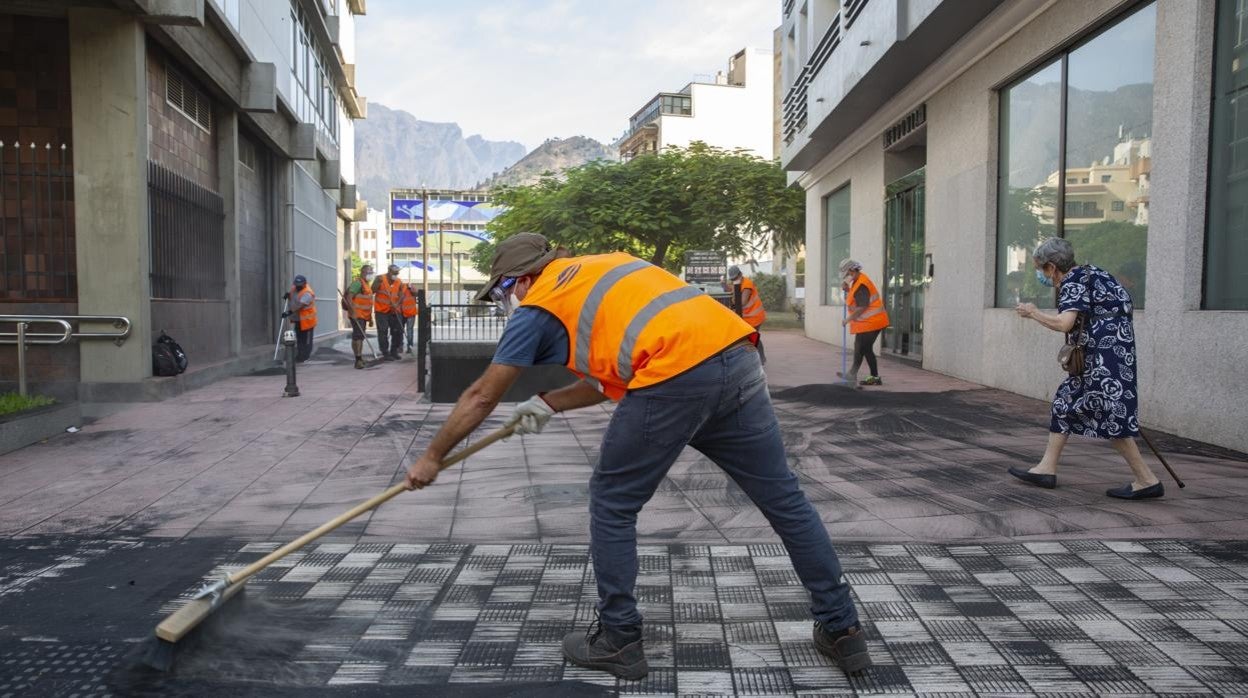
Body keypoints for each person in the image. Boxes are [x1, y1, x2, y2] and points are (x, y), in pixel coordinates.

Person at [404, 233, 870, 681]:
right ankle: (843, 629)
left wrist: (431, 458)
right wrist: (548, 403)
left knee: (612, 502)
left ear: (522, 279)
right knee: (785, 500)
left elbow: (483, 395)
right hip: (737, 358)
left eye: (503, 289)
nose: (504, 300)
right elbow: (622, 365)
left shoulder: (539, 303)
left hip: (676, 375)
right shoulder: (606, 267)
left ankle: (619, 640)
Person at [1009, 237, 1163, 499]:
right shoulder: (1094, 273)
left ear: (1052, 267)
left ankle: (1146, 480)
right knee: (1065, 403)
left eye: (1041, 268)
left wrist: (1032, 312)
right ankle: (1046, 468)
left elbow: (1064, 323)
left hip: (1103, 361)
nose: (1041, 275)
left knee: (1111, 416)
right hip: (1113, 355)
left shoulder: (1073, 282)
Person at [839, 259, 889, 386]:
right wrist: (847, 290)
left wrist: (847, 320)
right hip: (867, 322)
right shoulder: (857, 281)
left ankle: (874, 377)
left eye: (846, 274)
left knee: (865, 348)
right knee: (859, 347)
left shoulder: (861, 283)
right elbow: (857, 299)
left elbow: (862, 306)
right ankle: (852, 374)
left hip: (874, 321)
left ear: (852, 271)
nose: (845, 277)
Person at [728, 265, 767, 365]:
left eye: (736, 278)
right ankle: (759, 358)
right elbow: (734, 299)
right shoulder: (736, 284)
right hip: (747, 318)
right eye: (732, 279)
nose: (734, 280)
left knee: (753, 337)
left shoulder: (747, 284)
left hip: (755, 317)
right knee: (751, 337)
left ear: (740, 274)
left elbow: (743, 302)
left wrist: (733, 304)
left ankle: (761, 359)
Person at [372, 264, 406, 361]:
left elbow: (401, 295)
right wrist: (377, 283)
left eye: (397, 273)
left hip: (394, 311)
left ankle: (394, 351)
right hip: (381, 311)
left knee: (397, 331)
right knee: (383, 331)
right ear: (389, 271)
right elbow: (372, 290)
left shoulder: (398, 281)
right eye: (394, 273)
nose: (396, 275)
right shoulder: (380, 279)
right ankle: (385, 352)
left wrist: (397, 303)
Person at [345, 264, 374, 370]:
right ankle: (358, 360)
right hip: (357, 315)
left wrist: (370, 319)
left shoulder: (367, 284)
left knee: (358, 336)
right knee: (359, 337)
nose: (370, 274)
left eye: (371, 272)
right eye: (368, 272)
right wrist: (352, 312)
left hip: (363, 315)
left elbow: (367, 303)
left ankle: (359, 357)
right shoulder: (358, 283)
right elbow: (349, 297)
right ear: (362, 273)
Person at [282, 274, 316, 362]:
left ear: (304, 284)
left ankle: (305, 357)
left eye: (300, 286)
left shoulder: (308, 293)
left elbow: (300, 305)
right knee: (300, 339)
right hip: (299, 319)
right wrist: (288, 295)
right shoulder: (294, 288)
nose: (298, 287)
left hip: (307, 321)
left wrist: (289, 312)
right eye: (296, 285)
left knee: (306, 341)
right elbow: (294, 297)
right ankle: (300, 356)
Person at [401, 282, 419, 354]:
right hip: (402, 313)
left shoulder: (410, 287)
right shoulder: (400, 288)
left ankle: (409, 347)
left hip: (410, 313)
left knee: (409, 331)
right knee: (401, 331)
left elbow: (416, 293)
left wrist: (410, 287)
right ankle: (401, 346)